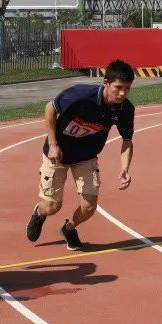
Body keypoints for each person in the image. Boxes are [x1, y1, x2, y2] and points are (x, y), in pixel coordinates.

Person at [25, 60, 136, 250]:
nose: (122, 94)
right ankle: (39, 213)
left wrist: (125, 168)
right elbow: (50, 108)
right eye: (118, 88)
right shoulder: (80, 95)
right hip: (58, 154)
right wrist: (53, 144)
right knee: (52, 206)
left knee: (89, 207)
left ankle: (69, 228)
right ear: (106, 83)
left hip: (86, 156)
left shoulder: (125, 109)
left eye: (127, 88)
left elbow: (127, 141)